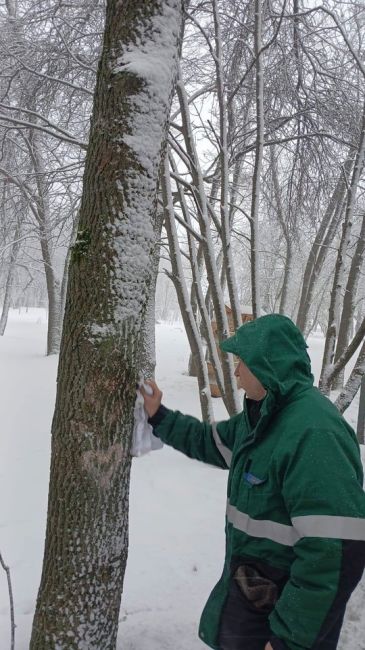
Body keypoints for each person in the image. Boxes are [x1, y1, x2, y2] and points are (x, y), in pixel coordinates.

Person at [141, 314, 365, 650]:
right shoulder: (263, 416)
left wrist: (290, 639)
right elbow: (210, 441)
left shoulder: (314, 433)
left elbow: (335, 551)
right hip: (254, 598)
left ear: (267, 365)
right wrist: (159, 415)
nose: (235, 372)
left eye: (241, 363)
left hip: (282, 619)